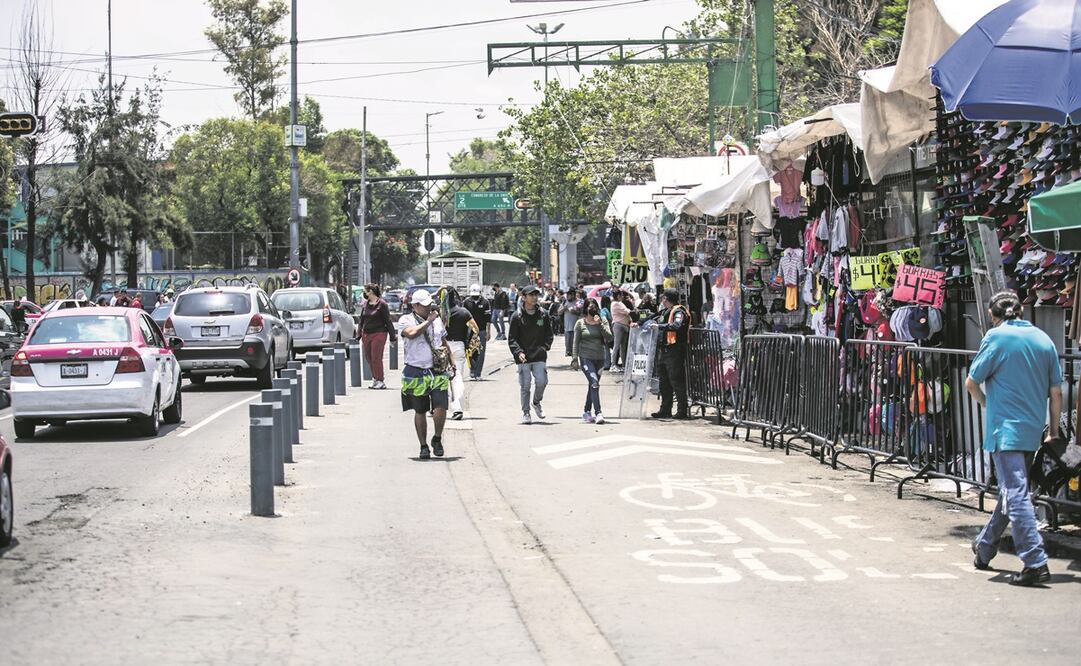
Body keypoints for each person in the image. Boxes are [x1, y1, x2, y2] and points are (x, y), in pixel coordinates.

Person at [966, 291, 1063, 587]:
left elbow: (971, 382)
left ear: (993, 315)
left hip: (1005, 430)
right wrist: (1054, 431)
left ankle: (1034, 562)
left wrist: (987, 404)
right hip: (1032, 429)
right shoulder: (1043, 340)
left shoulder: (996, 338)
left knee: (1015, 493)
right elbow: (1056, 392)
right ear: (1020, 311)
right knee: (1012, 492)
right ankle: (985, 547)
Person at [395, 289, 453, 459]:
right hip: (415, 370)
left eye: (429, 305)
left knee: (441, 406)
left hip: (437, 370)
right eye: (424, 305)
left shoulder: (437, 320)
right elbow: (412, 334)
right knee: (420, 410)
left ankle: (437, 438)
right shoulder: (406, 320)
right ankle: (423, 445)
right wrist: (428, 322)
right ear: (415, 306)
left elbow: (443, 341)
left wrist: (452, 363)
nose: (428, 308)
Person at [507, 285, 553, 425]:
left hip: (539, 356)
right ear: (523, 297)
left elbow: (549, 334)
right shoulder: (517, 316)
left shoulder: (543, 314)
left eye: (536, 295)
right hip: (523, 358)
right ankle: (526, 413)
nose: (534, 297)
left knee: (542, 382)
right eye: (531, 295)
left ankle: (536, 402)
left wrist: (544, 347)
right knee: (525, 386)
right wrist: (518, 352)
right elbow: (512, 339)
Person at [648, 289, 690, 419]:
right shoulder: (666, 311)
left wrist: (660, 327)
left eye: (663, 298)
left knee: (676, 381)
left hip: (674, 350)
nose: (662, 300)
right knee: (664, 382)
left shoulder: (679, 311)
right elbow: (652, 317)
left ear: (666, 299)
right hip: (664, 350)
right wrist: (638, 323)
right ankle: (665, 409)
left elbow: (677, 325)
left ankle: (682, 410)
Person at [573, 300, 613, 424]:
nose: (592, 309)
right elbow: (575, 342)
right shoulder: (580, 323)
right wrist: (574, 358)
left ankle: (586, 411)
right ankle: (598, 413)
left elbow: (609, 337)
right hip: (586, 358)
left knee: (592, 385)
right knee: (595, 384)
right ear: (585, 308)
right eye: (590, 307)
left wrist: (599, 324)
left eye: (594, 306)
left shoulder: (603, 320)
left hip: (600, 358)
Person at [443, 290, 477, 421]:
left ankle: (438, 406)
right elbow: (475, 328)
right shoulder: (464, 312)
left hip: (443, 346)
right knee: (457, 378)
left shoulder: (441, 313)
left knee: (441, 378)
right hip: (459, 346)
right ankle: (457, 408)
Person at [358, 283, 396, 390]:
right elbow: (361, 320)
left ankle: (380, 380)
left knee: (376, 357)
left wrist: (392, 337)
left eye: (365, 291)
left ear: (371, 292)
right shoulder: (365, 304)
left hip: (379, 333)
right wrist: (358, 334)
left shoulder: (382, 304)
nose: (364, 293)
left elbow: (388, 321)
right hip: (366, 334)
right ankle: (375, 378)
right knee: (368, 357)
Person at [463, 284, 492, 381]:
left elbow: (488, 319)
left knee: (481, 351)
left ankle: (478, 373)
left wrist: (488, 332)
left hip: (482, 330)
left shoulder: (485, 302)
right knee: (470, 351)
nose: (474, 297)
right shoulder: (466, 302)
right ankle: (472, 369)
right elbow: (463, 317)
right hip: (469, 331)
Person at [559, 288, 584, 364]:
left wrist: (575, 312)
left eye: (569, 294)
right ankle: (573, 359)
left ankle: (576, 361)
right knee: (569, 347)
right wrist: (564, 308)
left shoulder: (579, 301)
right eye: (567, 294)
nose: (567, 296)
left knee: (576, 346)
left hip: (576, 327)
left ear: (573, 295)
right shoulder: (564, 302)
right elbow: (559, 312)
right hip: (567, 328)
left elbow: (582, 313)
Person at [610, 290, 633, 371]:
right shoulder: (615, 303)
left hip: (625, 325)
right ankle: (613, 365)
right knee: (616, 345)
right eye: (621, 295)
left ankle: (624, 365)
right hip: (618, 325)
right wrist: (631, 310)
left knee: (623, 347)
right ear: (618, 296)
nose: (623, 296)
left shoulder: (620, 303)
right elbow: (626, 311)